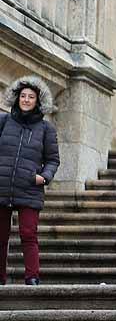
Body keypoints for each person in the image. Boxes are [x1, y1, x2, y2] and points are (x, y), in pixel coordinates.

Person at [0, 76, 60, 285]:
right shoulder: (3, 121)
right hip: (2, 185)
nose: (26, 100)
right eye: (23, 96)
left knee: (28, 234)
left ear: (37, 101)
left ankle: (32, 277)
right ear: (16, 98)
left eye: (31, 97)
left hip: (30, 188)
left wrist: (44, 177)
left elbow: (53, 160)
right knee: (0, 236)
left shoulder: (46, 129)